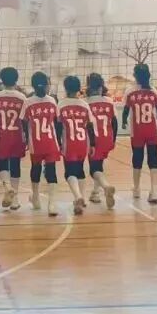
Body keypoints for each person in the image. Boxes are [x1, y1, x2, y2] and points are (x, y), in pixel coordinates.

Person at [121, 64, 157, 204]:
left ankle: (137, 189)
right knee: (153, 158)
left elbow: (125, 110)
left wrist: (124, 122)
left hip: (137, 131)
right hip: (152, 130)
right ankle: (154, 191)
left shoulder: (130, 92)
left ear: (135, 76)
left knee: (137, 158)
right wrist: (155, 121)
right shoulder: (153, 91)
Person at [57, 75, 97, 216]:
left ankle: (77, 196)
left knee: (69, 172)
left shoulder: (61, 105)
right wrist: (93, 144)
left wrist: (58, 143)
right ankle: (83, 198)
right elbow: (90, 126)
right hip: (83, 143)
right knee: (80, 170)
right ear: (79, 88)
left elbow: (58, 126)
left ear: (65, 88)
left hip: (69, 143)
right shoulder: (84, 105)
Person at [21, 71, 60, 215]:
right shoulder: (52, 101)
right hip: (50, 141)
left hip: (35, 142)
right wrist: (60, 142)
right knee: (51, 171)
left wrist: (26, 138)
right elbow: (57, 122)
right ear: (47, 85)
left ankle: (36, 198)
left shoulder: (28, 102)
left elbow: (23, 121)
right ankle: (52, 204)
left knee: (35, 168)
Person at [0, 66, 27, 211]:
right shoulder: (22, 97)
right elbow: (24, 120)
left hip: (2, 135)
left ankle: (7, 187)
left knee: (2, 163)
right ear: (16, 79)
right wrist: (26, 138)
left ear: (2, 80)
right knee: (15, 164)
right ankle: (15, 200)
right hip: (17, 135)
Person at [85, 73, 118, 208]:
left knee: (94, 169)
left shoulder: (86, 102)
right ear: (101, 86)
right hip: (107, 138)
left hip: (93, 139)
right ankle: (95, 193)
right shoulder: (109, 101)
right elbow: (114, 122)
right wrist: (114, 139)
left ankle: (105, 186)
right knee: (99, 165)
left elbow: (87, 124)